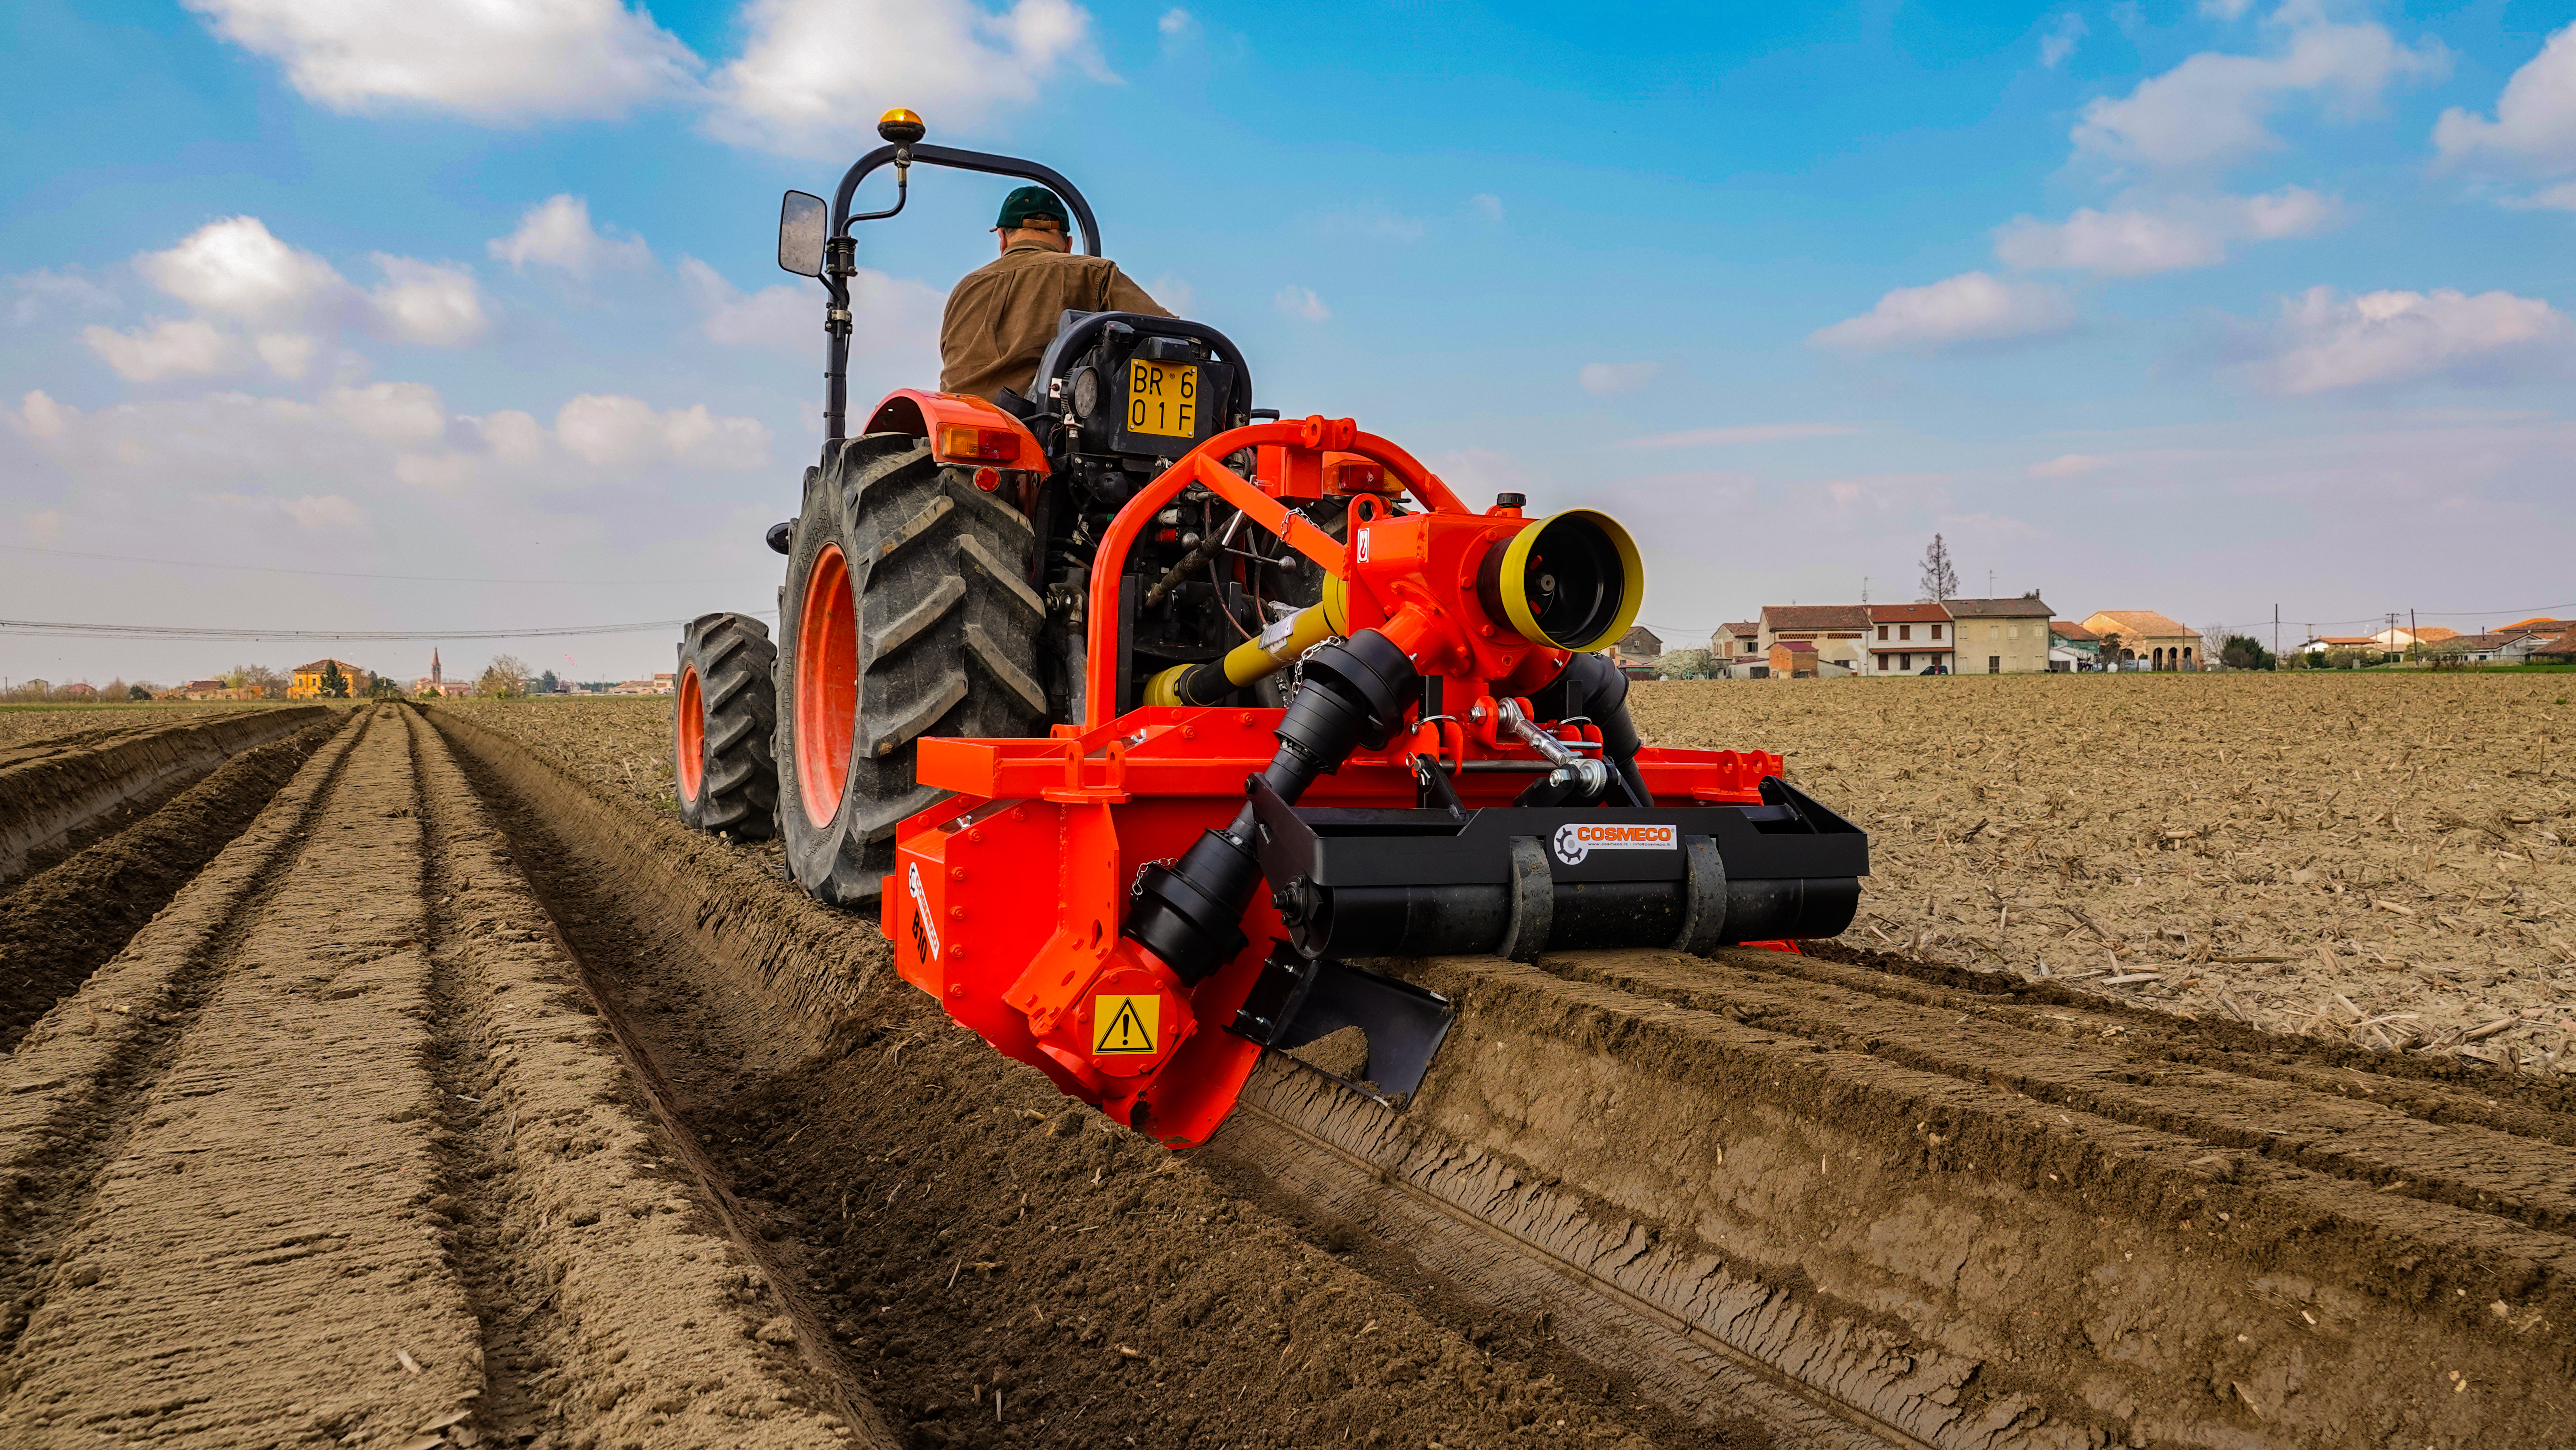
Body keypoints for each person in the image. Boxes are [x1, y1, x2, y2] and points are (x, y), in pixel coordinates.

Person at [939, 185, 1171, 404]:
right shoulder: (1095, 273)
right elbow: (1171, 333)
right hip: (1039, 431)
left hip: (956, 422)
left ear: (1003, 239)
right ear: (1068, 244)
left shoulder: (964, 288)